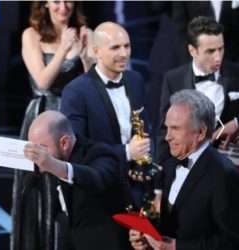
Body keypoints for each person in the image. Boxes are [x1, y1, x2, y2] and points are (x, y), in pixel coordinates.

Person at [11, 1, 94, 250]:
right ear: (45, 3)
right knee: (38, 187)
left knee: (69, 182)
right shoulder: (32, 35)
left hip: (73, 119)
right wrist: (63, 49)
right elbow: (43, 81)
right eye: (56, 0)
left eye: (68, 0)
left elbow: (92, 83)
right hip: (41, 116)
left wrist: (85, 58)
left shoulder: (85, 33)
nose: (63, 6)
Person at [129, 89, 239, 250]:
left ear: (200, 132)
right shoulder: (170, 163)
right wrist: (147, 236)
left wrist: (178, 247)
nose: (167, 137)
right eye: (167, 128)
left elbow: (232, 241)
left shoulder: (224, 175)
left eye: (175, 129)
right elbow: (167, 224)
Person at [61, 21, 152, 208]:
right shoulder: (76, 90)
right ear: (97, 52)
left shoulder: (136, 80)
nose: (124, 54)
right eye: (115, 47)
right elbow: (78, 146)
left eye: (127, 46)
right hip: (99, 191)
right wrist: (127, 152)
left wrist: (146, 164)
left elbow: (146, 127)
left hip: (137, 187)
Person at [24, 110, 132, 250]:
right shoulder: (50, 160)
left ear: (64, 143)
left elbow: (97, 179)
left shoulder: (100, 153)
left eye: (42, 149)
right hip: (70, 237)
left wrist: (54, 165)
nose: (38, 155)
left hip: (107, 241)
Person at [156, 16, 239, 166]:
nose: (218, 57)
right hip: (188, 167)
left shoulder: (236, 73)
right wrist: (159, 184)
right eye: (210, 51)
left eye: (221, 48)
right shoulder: (173, 79)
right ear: (192, 50)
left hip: (231, 166)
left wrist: (237, 123)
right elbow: (165, 130)